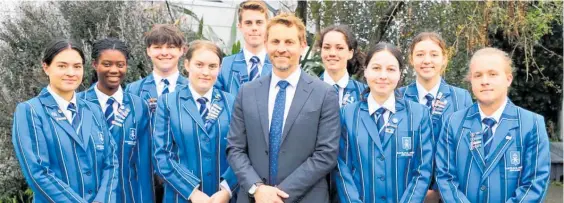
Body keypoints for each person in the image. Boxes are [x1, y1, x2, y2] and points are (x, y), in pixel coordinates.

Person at [226, 13, 341, 203]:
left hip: (305, 197)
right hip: (254, 197)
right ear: (266, 43)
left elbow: (326, 154)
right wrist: (258, 189)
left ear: (302, 45)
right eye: (275, 41)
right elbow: (235, 148)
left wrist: (278, 194)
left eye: (289, 42)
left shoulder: (324, 94)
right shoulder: (247, 92)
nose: (281, 49)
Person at [435, 47, 551, 202]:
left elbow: (535, 182)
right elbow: (445, 177)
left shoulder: (532, 124)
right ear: (471, 81)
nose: (485, 81)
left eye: (492, 74)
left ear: (508, 79)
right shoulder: (452, 123)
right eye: (478, 75)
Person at [12, 39, 118, 203]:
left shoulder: (94, 110)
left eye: (77, 66)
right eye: (62, 66)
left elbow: (111, 162)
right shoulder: (30, 111)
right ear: (46, 67)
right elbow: (38, 173)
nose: (71, 72)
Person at [335, 42, 433, 203]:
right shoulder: (348, 114)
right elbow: (342, 168)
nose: (383, 76)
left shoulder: (418, 114)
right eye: (376, 68)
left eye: (390, 69)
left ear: (400, 73)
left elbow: (423, 170)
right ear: (365, 70)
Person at [153, 40, 238, 203]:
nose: (206, 72)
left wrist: (227, 190)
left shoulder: (231, 103)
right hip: (181, 197)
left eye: (212, 66)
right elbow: (161, 155)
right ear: (186, 64)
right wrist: (192, 192)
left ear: (220, 69)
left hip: (222, 198)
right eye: (199, 65)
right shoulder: (168, 103)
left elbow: (242, 150)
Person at [397, 32, 472, 202]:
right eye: (420, 54)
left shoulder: (461, 98)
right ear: (411, 59)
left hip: (449, 193)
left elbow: (464, 150)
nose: (427, 60)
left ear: (444, 58)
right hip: (405, 193)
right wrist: (417, 192)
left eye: (434, 54)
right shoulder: (398, 98)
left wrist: (439, 191)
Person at [78, 38, 153, 203]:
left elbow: (144, 163)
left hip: (128, 194)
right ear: (94, 64)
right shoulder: (78, 104)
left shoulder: (138, 106)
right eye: (107, 64)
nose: (114, 70)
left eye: (120, 65)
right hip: (89, 196)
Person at [125, 24, 189, 113]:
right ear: (148, 51)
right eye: (157, 47)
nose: (164, 53)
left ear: (182, 50)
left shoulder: (192, 89)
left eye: (171, 47)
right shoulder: (133, 90)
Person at [215, 1, 272, 95]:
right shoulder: (225, 66)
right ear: (240, 26)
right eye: (248, 23)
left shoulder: (278, 65)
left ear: (268, 25)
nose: (254, 28)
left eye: (259, 22)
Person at [318, 25, 367, 108]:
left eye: (339, 48)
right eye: (327, 47)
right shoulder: (307, 90)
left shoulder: (364, 93)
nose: (332, 53)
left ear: (350, 53)